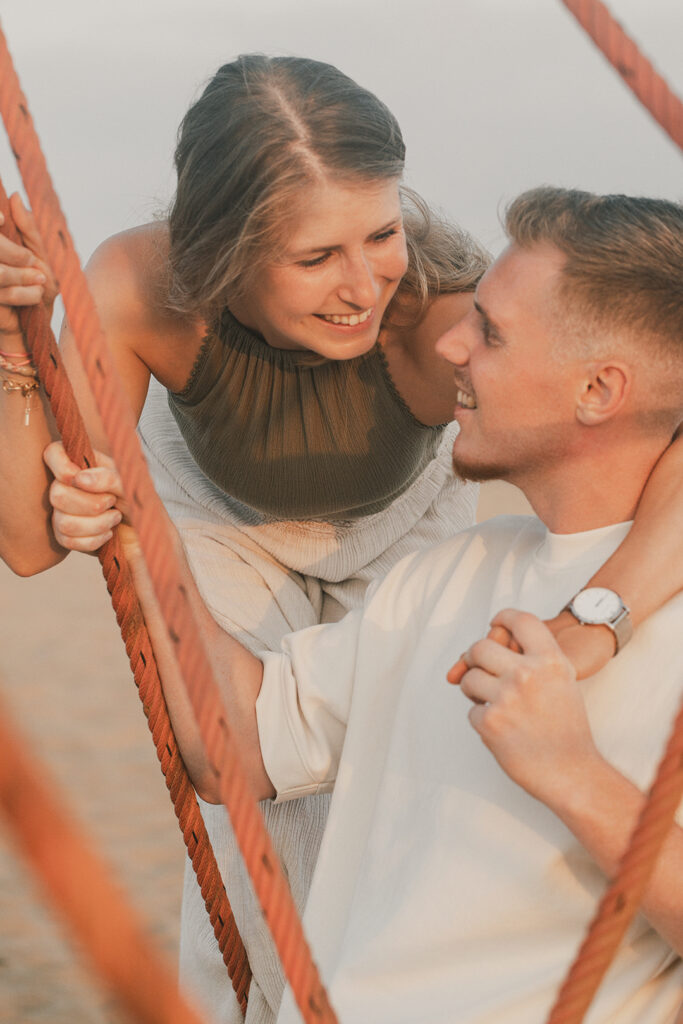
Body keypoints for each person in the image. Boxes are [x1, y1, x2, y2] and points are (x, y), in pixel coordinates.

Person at [0, 52, 681, 1021]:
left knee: (395, 763)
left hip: (408, 509)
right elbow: (34, 549)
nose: (365, 286)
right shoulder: (145, 284)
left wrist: (590, 622)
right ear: (222, 256)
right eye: (316, 258)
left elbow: (646, 406)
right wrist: (25, 368)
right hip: (220, 512)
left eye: (380, 233)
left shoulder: (437, 312)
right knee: (256, 824)